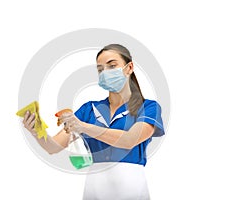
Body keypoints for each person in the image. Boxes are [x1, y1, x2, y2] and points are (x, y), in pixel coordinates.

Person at [22, 44, 165, 200]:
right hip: (95, 187)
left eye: (112, 65)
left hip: (131, 186)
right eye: (100, 69)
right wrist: (37, 131)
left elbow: (130, 140)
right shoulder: (88, 109)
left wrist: (84, 127)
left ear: (129, 67)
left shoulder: (148, 107)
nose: (105, 73)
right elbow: (53, 147)